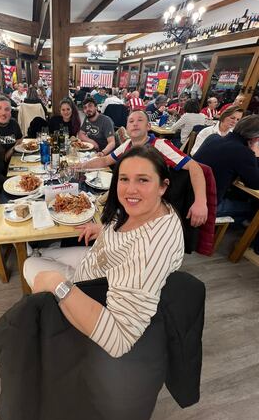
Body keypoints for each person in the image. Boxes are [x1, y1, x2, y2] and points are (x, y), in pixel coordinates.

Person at [24, 146, 185, 359]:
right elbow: (128, 230)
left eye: (143, 180)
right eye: (124, 179)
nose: (130, 190)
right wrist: (103, 229)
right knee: (40, 253)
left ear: (163, 186)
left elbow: (120, 341)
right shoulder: (151, 206)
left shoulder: (153, 249)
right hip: (98, 260)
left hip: (94, 287)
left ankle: (53, 311)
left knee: (29, 264)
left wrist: (58, 285)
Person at [80, 110, 208, 227]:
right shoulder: (127, 145)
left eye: (140, 120)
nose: (135, 123)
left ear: (148, 126)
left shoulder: (160, 145)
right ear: (127, 128)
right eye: (131, 121)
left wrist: (200, 202)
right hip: (131, 196)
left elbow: (194, 166)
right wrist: (80, 166)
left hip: (151, 205)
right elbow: (105, 160)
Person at [193, 115, 259, 230]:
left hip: (189, 193)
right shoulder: (243, 153)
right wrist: (255, 153)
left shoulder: (213, 138)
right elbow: (255, 183)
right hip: (208, 204)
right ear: (255, 138)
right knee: (252, 208)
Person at [0, 95, 23, 161]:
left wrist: (12, 149)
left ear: (10, 111)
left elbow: (19, 139)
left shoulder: (13, 123)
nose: (3, 113)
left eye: (7, 109)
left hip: (14, 164)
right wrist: (10, 152)